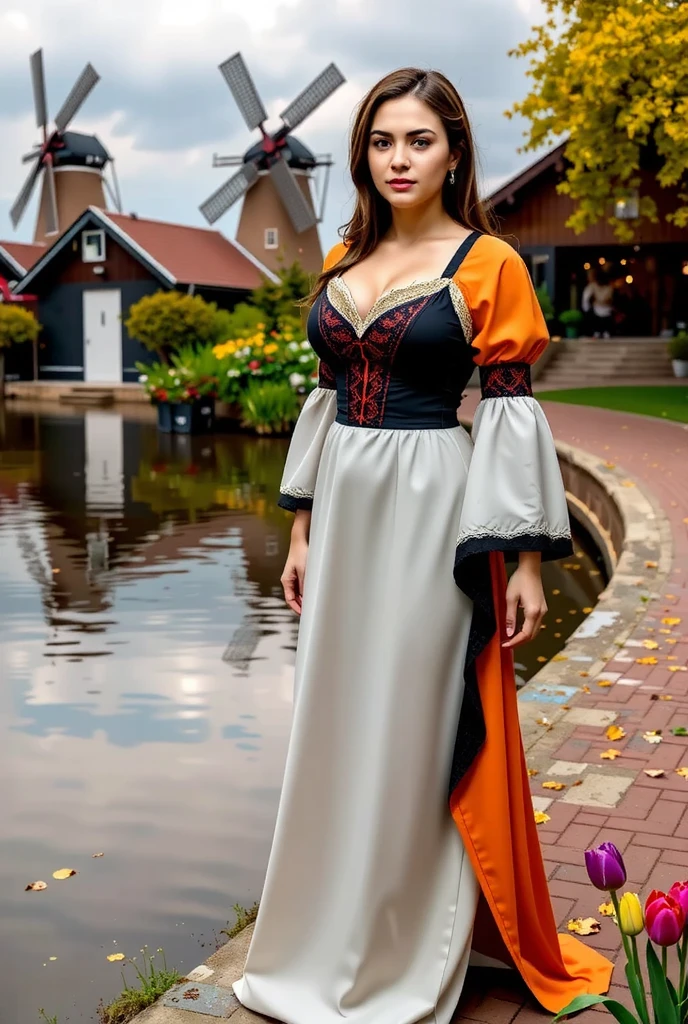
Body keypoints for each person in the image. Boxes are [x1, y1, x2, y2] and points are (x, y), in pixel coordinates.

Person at [232, 67, 613, 1024]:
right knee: (339, 718)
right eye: (381, 142)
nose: (399, 160)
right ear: (362, 155)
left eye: (419, 142)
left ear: (453, 153)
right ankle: (326, 928)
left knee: (415, 721)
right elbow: (323, 406)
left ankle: (404, 948)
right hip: (347, 512)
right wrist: (301, 529)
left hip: (433, 506)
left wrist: (525, 559)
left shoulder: (489, 264)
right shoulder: (340, 256)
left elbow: (513, 418)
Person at [582, 267, 615, 338]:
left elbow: (609, 298)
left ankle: (606, 331)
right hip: (596, 310)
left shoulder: (609, 287)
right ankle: (597, 331)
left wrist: (600, 301)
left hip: (607, 310)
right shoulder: (593, 286)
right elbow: (586, 298)